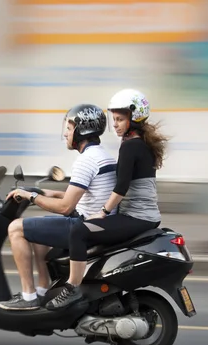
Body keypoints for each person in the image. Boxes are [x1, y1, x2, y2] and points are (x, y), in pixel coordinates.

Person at [45, 89, 170, 311]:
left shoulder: (131, 146)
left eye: (120, 119)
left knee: (79, 231)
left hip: (137, 217)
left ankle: (72, 288)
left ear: (135, 118)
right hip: (143, 216)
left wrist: (102, 212)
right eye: (114, 119)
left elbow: (121, 187)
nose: (116, 124)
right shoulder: (138, 143)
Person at [0, 103, 117, 311]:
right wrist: (49, 193)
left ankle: (28, 296)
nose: (65, 134)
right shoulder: (101, 155)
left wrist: (32, 196)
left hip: (84, 227)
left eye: (69, 129)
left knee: (16, 228)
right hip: (97, 223)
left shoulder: (86, 161)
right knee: (40, 226)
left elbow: (65, 207)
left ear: (82, 131)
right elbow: (86, 196)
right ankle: (43, 288)